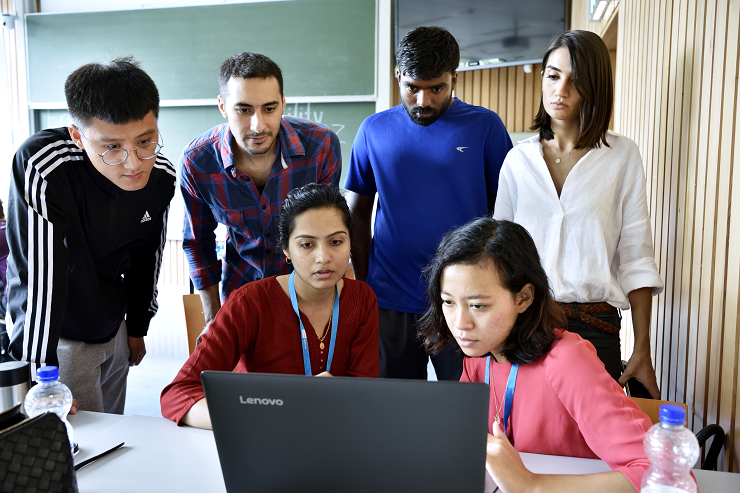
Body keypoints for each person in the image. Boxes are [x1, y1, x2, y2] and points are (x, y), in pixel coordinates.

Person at [418, 217, 652, 492]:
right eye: (448, 302)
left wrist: (532, 486)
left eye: (478, 306)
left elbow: (659, 475)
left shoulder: (567, 360)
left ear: (523, 299)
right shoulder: (478, 358)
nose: (460, 323)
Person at [493, 30, 664, 398]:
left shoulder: (622, 156)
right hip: (526, 323)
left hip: (595, 327)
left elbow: (636, 259)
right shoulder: (517, 161)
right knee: (529, 442)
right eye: (553, 76)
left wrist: (643, 350)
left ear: (594, 87)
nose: (561, 89)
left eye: (575, 80)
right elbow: (499, 259)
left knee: (591, 449)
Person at [6, 57, 176, 414]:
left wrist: (138, 326)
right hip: (59, 335)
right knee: (73, 446)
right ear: (77, 136)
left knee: (113, 432)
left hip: (114, 324)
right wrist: (39, 374)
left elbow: (149, 257)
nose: (134, 162)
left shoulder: (160, 175)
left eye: (146, 141)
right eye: (112, 147)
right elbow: (38, 276)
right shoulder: (44, 165)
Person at [345, 26, 512, 380]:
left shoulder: (485, 127)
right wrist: (364, 286)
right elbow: (356, 212)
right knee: (393, 410)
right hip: (389, 299)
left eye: (436, 88)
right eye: (412, 88)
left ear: (454, 77)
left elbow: (506, 215)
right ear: (398, 76)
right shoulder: (372, 130)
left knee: (465, 409)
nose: (423, 101)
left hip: (466, 301)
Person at [161, 184, 379, 429]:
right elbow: (178, 393)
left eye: (336, 241)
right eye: (307, 244)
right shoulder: (249, 302)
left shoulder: (362, 299)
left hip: (334, 438)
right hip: (260, 438)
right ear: (286, 249)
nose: (323, 257)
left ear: (350, 243)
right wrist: (256, 419)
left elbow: (364, 392)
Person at [180, 52, 342, 330]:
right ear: (222, 106)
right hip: (241, 287)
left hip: (308, 287)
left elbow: (326, 232)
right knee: (244, 372)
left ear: (283, 104)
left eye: (269, 108)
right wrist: (212, 318)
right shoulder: (198, 161)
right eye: (243, 110)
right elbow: (197, 241)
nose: (258, 125)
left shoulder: (320, 147)